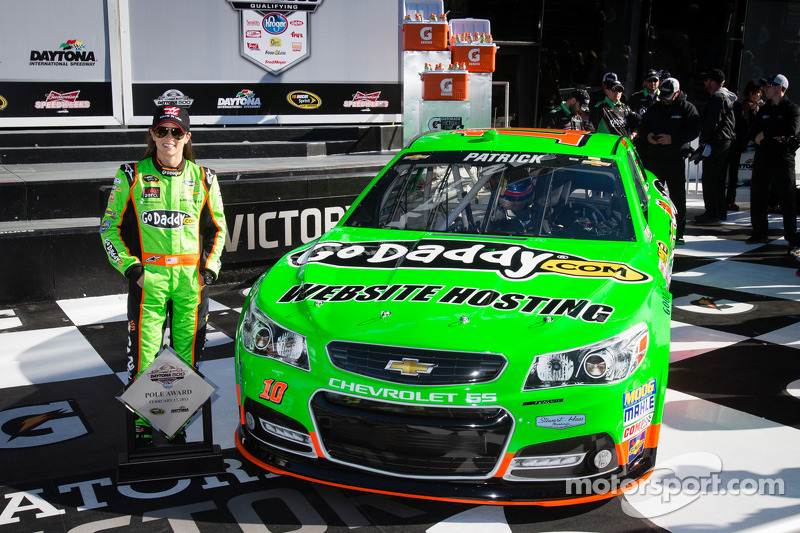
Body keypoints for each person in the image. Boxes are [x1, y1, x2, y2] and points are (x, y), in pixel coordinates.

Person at [99, 106, 227, 446]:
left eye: (176, 132)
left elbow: (218, 229)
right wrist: (133, 269)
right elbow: (108, 228)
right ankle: (141, 424)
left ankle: (176, 421)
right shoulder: (131, 174)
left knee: (186, 360)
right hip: (149, 281)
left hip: (191, 283)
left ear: (187, 137)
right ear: (151, 135)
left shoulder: (205, 178)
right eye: (161, 131)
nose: (168, 138)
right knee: (143, 358)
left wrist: (209, 271)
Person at [639, 78, 701, 244]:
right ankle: (648, 229)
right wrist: (648, 137)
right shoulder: (654, 108)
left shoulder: (687, 108)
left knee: (678, 197)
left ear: (678, 93)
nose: (665, 99)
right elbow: (642, 127)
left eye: (669, 96)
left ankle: (679, 233)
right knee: (650, 195)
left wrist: (673, 139)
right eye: (663, 96)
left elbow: (694, 130)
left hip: (675, 159)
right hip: (655, 158)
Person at [746, 74, 800, 253]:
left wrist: (767, 134)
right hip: (763, 158)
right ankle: (760, 231)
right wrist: (766, 134)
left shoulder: (792, 108)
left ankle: (792, 236)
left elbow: (791, 129)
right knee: (758, 196)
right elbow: (754, 130)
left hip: (782, 160)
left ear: (780, 88)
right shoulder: (764, 108)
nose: (765, 89)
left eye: (769, 85)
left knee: (787, 200)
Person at [693, 68, 735, 225]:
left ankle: (712, 213)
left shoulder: (718, 98)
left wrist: (704, 140)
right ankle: (719, 211)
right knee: (718, 178)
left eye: (707, 80)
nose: (704, 83)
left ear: (713, 82)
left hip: (717, 142)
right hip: (723, 142)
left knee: (711, 178)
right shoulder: (725, 97)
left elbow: (712, 121)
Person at [726, 81, 761, 212]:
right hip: (733, 145)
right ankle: (729, 200)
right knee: (731, 176)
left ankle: (729, 200)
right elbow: (746, 126)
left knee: (731, 176)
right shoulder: (744, 107)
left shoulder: (741, 106)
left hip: (735, 145)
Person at [591, 72, 639, 139]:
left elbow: (638, 123)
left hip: (623, 146)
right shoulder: (600, 107)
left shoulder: (625, 107)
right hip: (607, 146)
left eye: (620, 90)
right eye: (614, 89)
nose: (617, 93)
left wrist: (633, 135)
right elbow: (590, 129)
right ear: (607, 90)